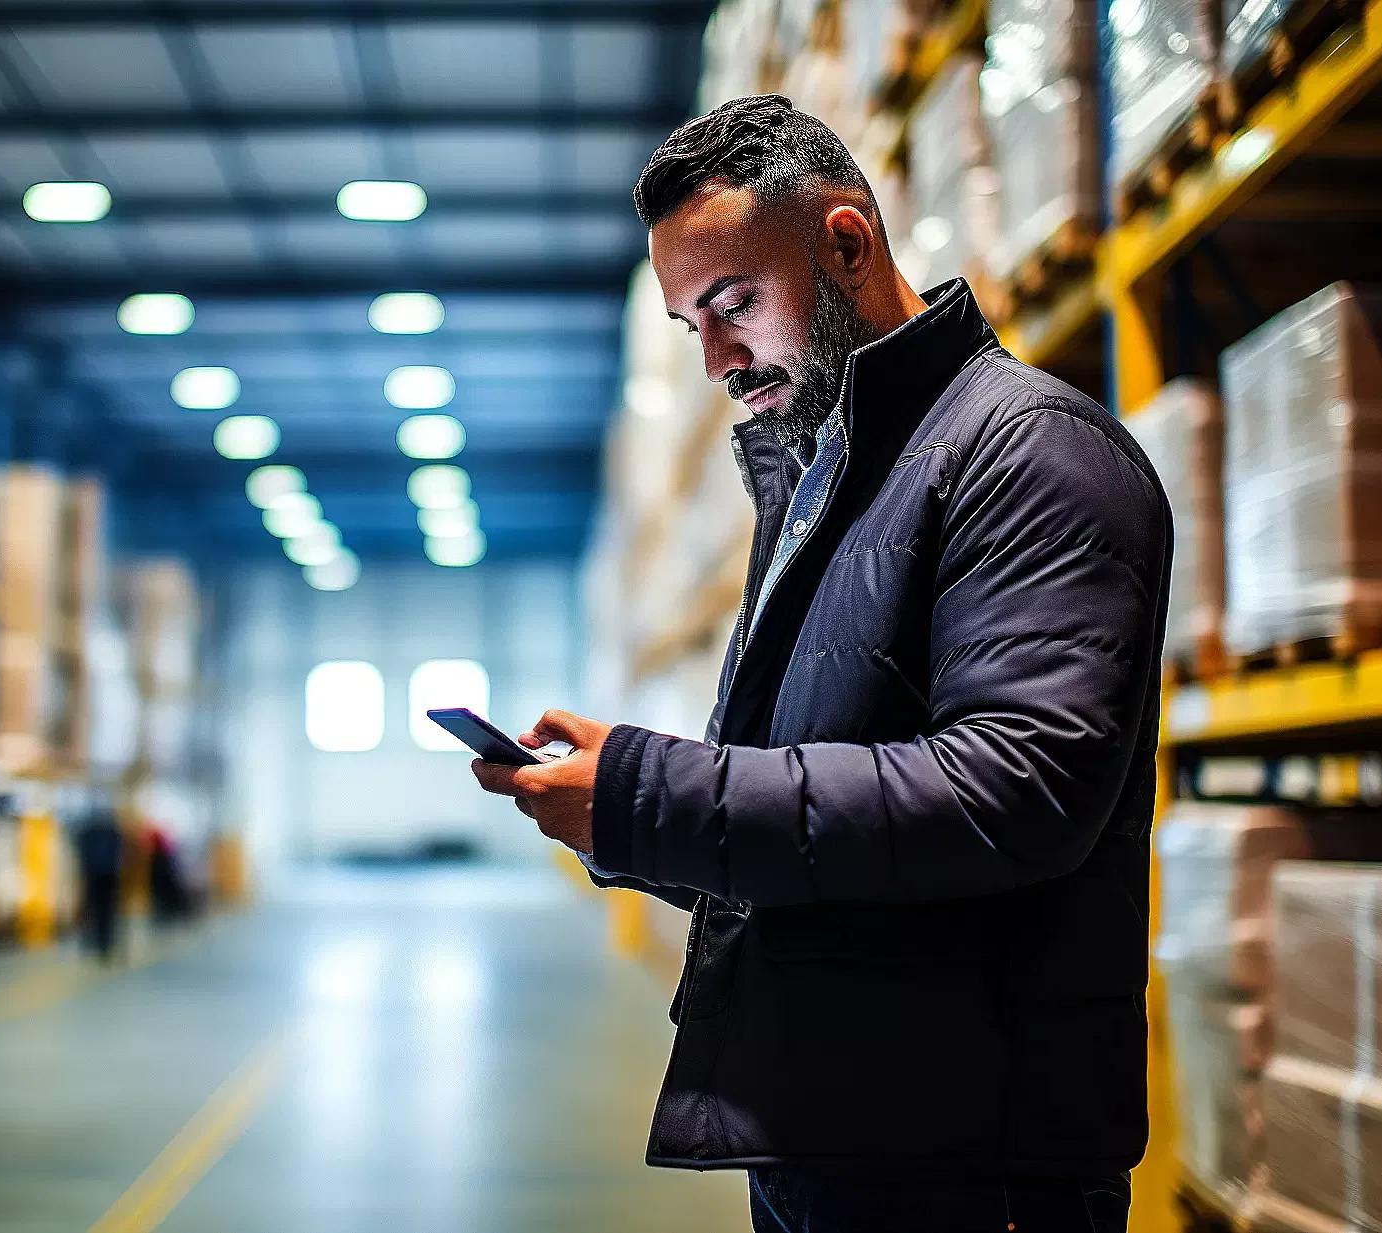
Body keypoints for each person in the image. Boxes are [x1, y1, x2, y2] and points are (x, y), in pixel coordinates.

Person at [469, 94, 1171, 1233]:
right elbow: (809, 821)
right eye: (691, 322)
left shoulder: (1029, 453)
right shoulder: (820, 488)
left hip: (967, 1165)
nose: (715, 360)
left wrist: (655, 790)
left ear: (845, 244)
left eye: (733, 304)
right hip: (836, 1138)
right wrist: (621, 815)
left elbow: (1019, 790)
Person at [74, 808, 124, 963]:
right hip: (109, 876)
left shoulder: (87, 833)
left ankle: (95, 940)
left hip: (93, 875)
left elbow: (81, 852)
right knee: (107, 910)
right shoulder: (112, 832)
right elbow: (119, 852)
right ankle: (105, 942)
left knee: (93, 908)